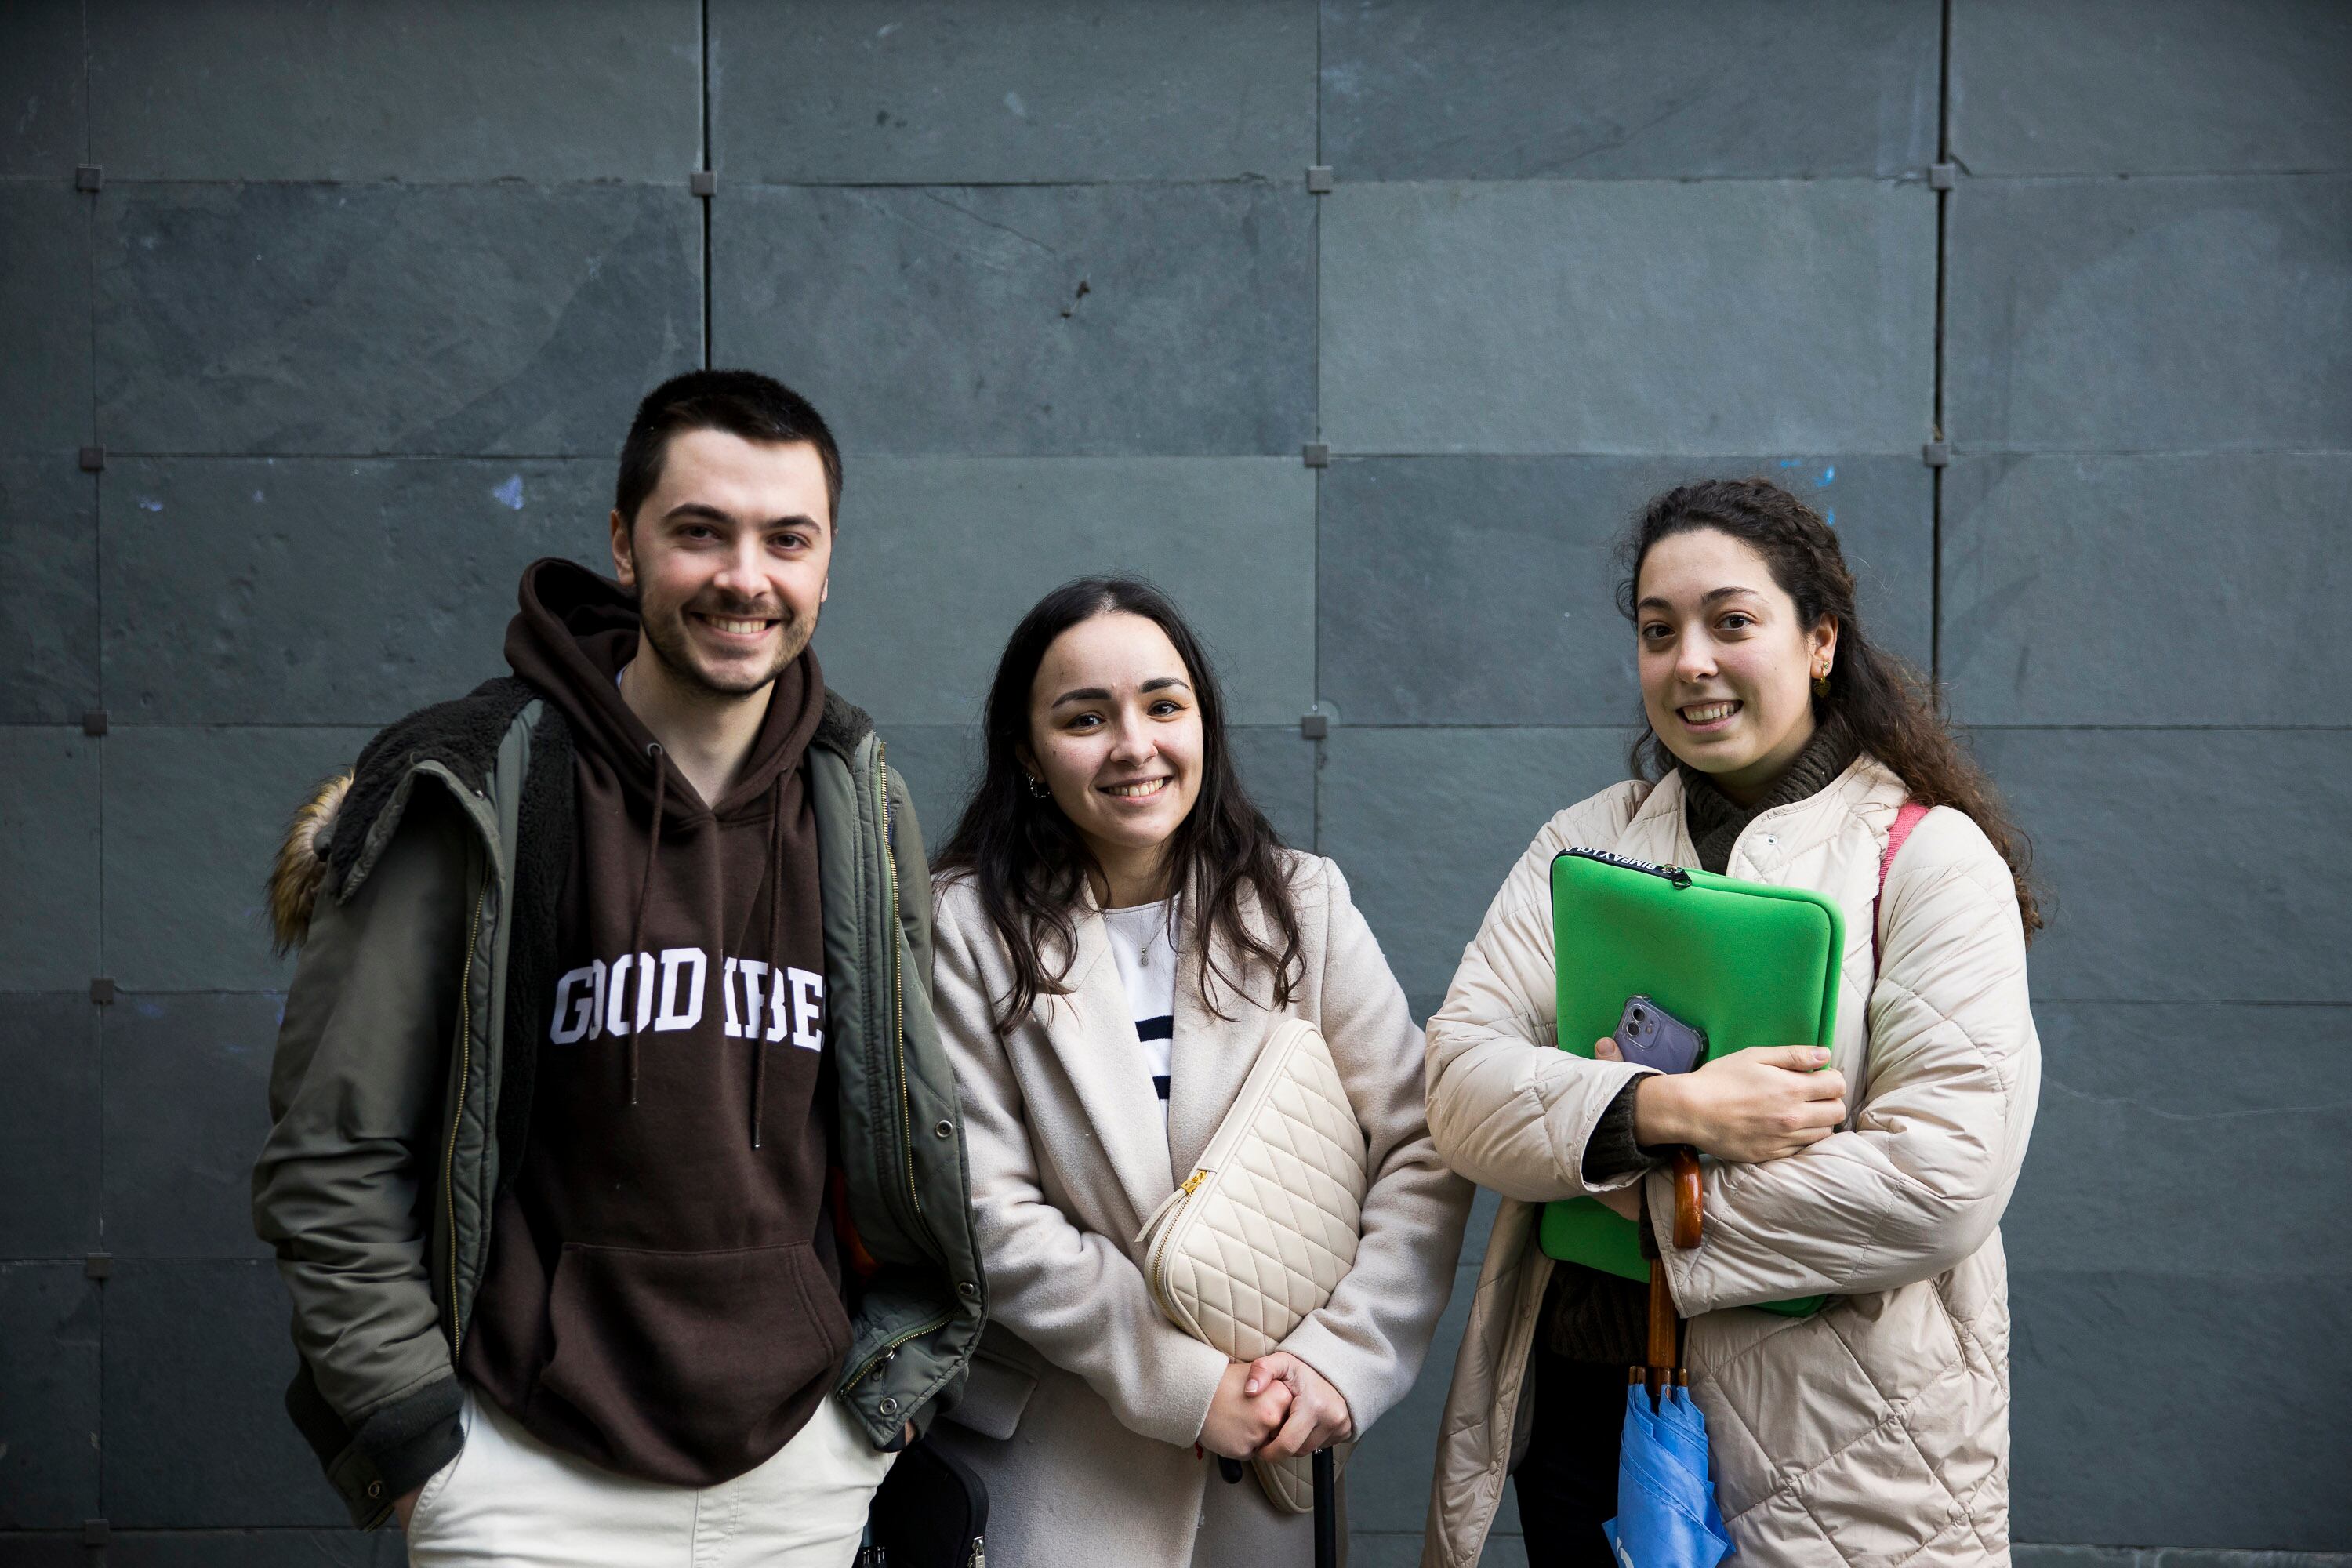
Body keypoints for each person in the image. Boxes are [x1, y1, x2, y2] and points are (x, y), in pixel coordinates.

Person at [252, 370, 983, 1566]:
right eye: (700, 531)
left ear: (827, 561)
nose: (746, 576)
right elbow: (330, 1152)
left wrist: (872, 1416)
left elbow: (909, 1126)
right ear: (624, 545)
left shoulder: (859, 801)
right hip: (522, 1474)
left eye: (786, 539)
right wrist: (417, 1443)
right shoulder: (472, 788)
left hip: (797, 1471)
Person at [1420, 478, 2043, 1566]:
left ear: (1820, 642)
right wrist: (1665, 1109)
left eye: (1732, 622)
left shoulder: (1930, 862)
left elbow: (1944, 1180)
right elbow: (1462, 1088)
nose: (1689, 661)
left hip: (1843, 1445)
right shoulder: (1584, 847)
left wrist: (1637, 1190)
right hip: (1583, 1424)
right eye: (1659, 633)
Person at [924, 578, 1471, 1566]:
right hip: (1060, 1467)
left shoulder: (1302, 904)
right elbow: (984, 1211)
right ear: (1028, 753)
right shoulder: (964, 927)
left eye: (1163, 705)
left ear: (1203, 725)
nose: (1135, 744)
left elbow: (1420, 1145)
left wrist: (1337, 1362)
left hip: (1273, 1455)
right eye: (1085, 717)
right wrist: (1185, 1385)